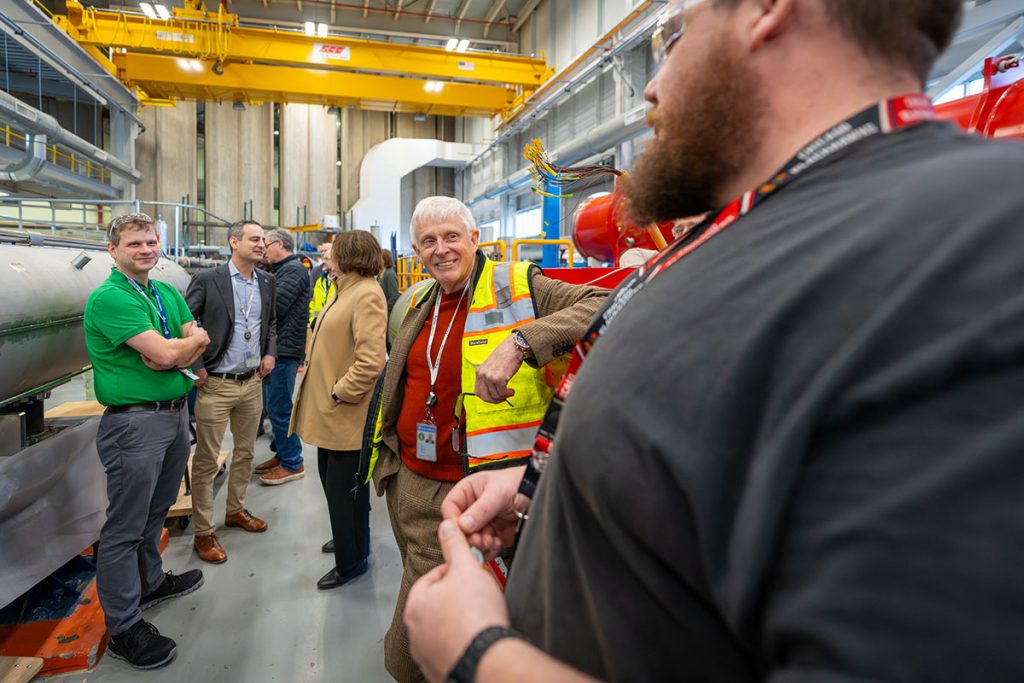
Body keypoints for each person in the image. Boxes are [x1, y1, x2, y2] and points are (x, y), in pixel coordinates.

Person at [404, 0, 1024, 681]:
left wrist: (477, 657)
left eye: (672, 36)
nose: (649, 84)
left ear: (766, 11)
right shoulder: (756, 227)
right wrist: (545, 492)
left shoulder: (976, 244)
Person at [370, 195, 609, 681]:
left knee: (415, 637)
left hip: (479, 486)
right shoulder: (419, 300)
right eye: (429, 242)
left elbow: (606, 302)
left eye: (452, 236)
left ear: (475, 239)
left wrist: (522, 342)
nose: (441, 250)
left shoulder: (518, 284)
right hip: (408, 477)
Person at [84, 213, 210, 669]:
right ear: (112, 250)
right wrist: (175, 351)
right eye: (134, 243)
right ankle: (123, 626)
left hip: (174, 418)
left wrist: (182, 348)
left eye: (151, 241)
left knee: (155, 513)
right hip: (134, 425)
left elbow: (198, 337)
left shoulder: (164, 290)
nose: (145, 249)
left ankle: (151, 583)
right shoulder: (110, 298)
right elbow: (166, 352)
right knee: (124, 527)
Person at [290, 230, 388, 590]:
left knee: (343, 490)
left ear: (348, 256)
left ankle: (352, 562)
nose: (325, 258)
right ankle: (351, 540)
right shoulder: (344, 289)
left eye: (331, 253)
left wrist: (339, 393)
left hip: (346, 413)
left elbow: (370, 360)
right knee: (340, 489)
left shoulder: (365, 295)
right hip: (332, 412)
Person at [185, 220, 277, 564]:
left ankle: (236, 510)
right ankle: (203, 531)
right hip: (215, 384)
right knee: (207, 461)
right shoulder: (209, 280)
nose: (261, 245)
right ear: (233, 242)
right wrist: (195, 367)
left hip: (252, 382)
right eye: (254, 239)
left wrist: (270, 351)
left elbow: (270, 323)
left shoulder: (267, 280)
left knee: (245, 453)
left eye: (264, 240)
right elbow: (185, 321)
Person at [255, 228, 312, 485]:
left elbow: (275, 306)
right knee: (273, 406)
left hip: (284, 352)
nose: (261, 248)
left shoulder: (294, 270)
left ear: (279, 244)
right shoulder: (278, 270)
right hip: (275, 350)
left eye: (264, 243)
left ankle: (293, 461)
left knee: (280, 408)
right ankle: (281, 454)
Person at [308, 241, 336, 330]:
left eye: (327, 259)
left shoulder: (339, 282)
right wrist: (313, 321)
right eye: (324, 258)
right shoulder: (320, 281)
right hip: (316, 326)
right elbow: (313, 302)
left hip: (332, 328)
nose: (324, 261)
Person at [379, 248, 401, 315]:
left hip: (388, 313)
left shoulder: (389, 274)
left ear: (384, 259)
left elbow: (394, 297)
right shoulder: (381, 273)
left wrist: (381, 308)